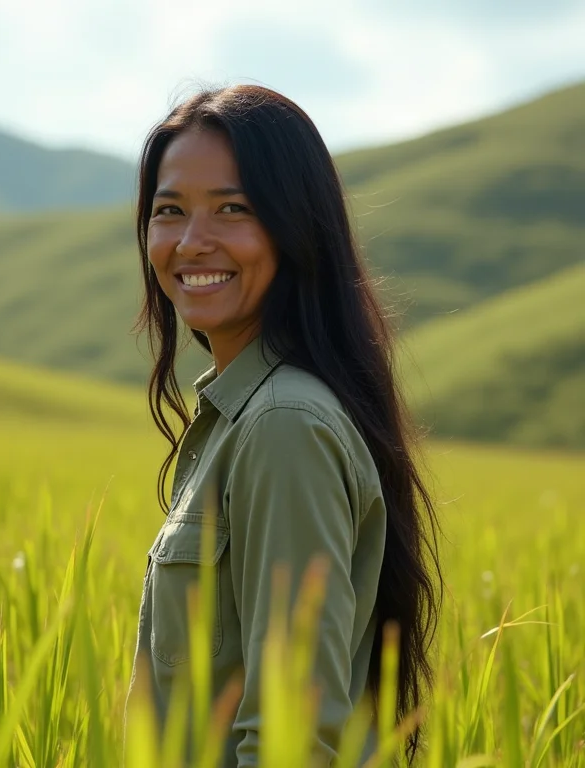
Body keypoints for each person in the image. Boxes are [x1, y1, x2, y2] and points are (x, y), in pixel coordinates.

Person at [125, 84, 442, 766]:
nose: (190, 242)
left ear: (296, 226)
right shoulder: (246, 416)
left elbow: (291, 742)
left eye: (233, 210)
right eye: (168, 211)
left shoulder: (283, 425)